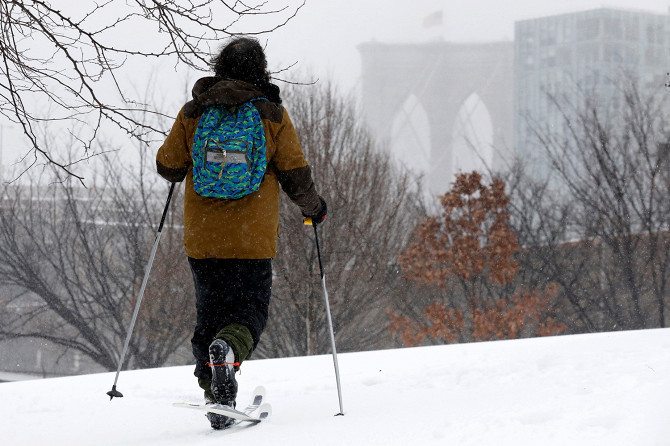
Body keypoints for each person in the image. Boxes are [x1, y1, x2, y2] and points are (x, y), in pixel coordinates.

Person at [156, 36, 327, 429]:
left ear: (219, 67)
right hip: (252, 239)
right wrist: (313, 208)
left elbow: (169, 166)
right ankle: (229, 349)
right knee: (248, 314)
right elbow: (294, 174)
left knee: (209, 314)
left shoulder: (194, 112)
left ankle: (214, 395)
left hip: (203, 238)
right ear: (261, 70)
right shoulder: (272, 116)